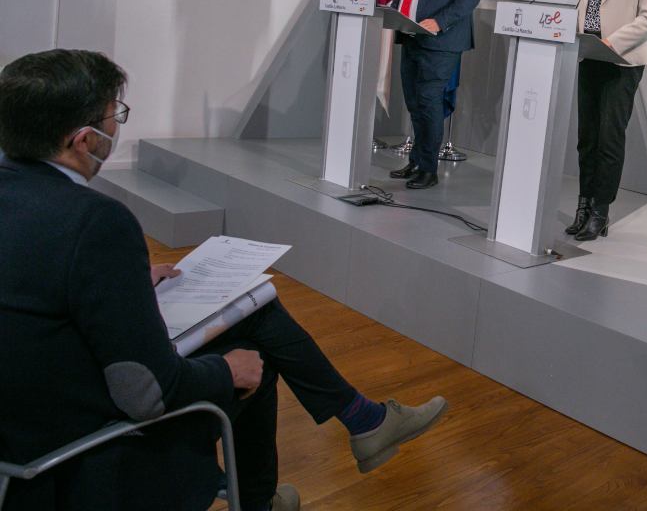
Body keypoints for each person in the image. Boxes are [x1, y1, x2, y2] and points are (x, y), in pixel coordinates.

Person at [0, 49, 447, 511]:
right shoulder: (96, 222)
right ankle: (315, 457)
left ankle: (356, 427)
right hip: (77, 454)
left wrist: (127, 282)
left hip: (19, 426)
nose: (116, 129)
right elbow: (147, 393)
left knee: (256, 313)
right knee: (254, 362)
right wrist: (225, 370)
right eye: (116, 117)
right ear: (83, 140)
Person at [566, 0, 647, 242]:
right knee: (587, 138)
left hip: (622, 61)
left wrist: (611, 41)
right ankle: (583, 204)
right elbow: (584, 13)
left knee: (608, 137)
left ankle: (600, 212)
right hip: (589, 56)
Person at [388, 0, 483, 190]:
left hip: (441, 41)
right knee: (415, 103)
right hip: (411, 35)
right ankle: (417, 160)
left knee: (429, 103)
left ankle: (428, 170)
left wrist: (439, 21)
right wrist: (393, 8)